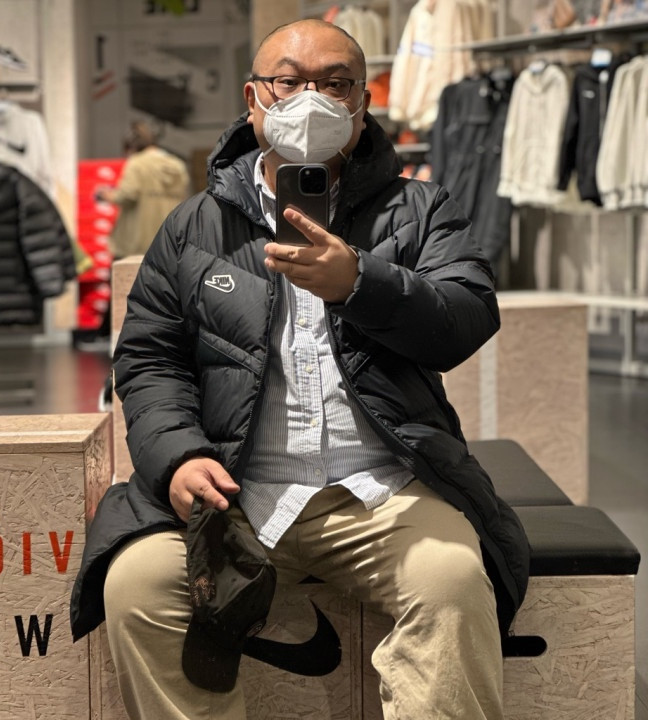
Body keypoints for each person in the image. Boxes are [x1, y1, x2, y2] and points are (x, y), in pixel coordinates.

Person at [71, 19, 530, 720]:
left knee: (453, 583)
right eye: (288, 82)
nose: (310, 99)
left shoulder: (419, 209)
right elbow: (148, 357)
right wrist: (180, 457)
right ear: (254, 99)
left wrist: (362, 283)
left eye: (336, 83)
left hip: (383, 488)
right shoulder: (193, 226)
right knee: (138, 585)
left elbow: (466, 317)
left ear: (362, 104)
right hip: (236, 489)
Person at [95, 120, 190, 259]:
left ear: (131, 148)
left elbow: (127, 194)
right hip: (170, 242)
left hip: (138, 245)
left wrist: (106, 195)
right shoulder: (178, 166)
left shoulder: (137, 163)